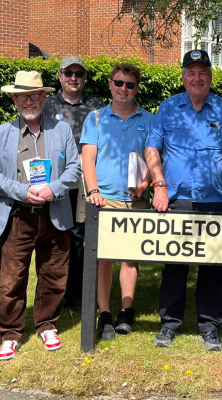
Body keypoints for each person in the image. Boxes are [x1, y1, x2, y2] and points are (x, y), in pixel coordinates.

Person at [144, 49, 222, 351]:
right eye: (191, 72)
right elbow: (152, 149)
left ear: (210, 77)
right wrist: (159, 185)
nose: (197, 78)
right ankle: (169, 325)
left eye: (202, 72)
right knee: (175, 263)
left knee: (212, 266)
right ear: (183, 77)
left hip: (215, 199)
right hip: (176, 198)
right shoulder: (168, 107)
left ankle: (210, 327)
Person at [0, 70, 81, 361]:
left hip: (54, 212)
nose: (29, 100)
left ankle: (47, 324)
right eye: (23, 95)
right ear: (14, 98)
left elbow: (74, 169)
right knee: (11, 277)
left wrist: (53, 189)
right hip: (18, 214)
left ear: (43, 97)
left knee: (54, 273)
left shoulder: (61, 130)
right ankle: (10, 332)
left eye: (35, 94)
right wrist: (20, 191)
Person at [80, 62, 154, 340]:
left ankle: (126, 311)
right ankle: (105, 315)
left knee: (131, 259)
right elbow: (88, 158)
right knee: (104, 259)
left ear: (137, 88)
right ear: (111, 84)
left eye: (130, 84)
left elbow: (154, 157)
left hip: (136, 201)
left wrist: (146, 183)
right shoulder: (96, 119)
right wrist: (93, 190)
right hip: (105, 200)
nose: (124, 89)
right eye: (119, 83)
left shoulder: (149, 119)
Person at [43, 56, 105, 312]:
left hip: (84, 182)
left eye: (79, 74)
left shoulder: (97, 106)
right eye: (68, 73)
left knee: (80, 238)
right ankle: (52, 294)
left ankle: (78, 294)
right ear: (60, 76)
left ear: (84, 78)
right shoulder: (47, 105)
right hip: (56, 182)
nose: (73, 78)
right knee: (55, 237)